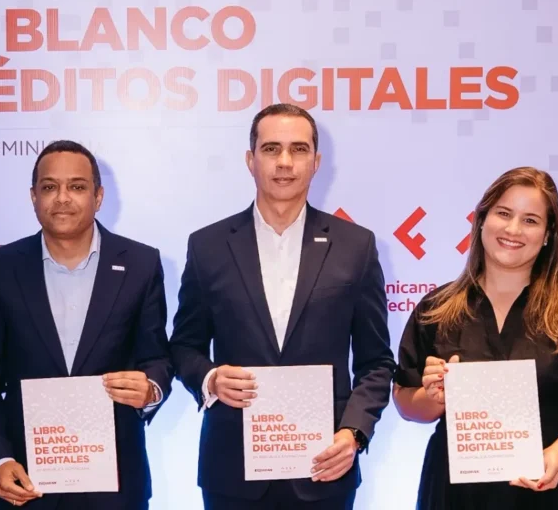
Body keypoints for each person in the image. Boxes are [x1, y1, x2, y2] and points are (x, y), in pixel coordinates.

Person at [169, 103, 396, 509]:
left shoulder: (355, 246)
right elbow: (185, 346)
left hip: (324, 468)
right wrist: (210, 379)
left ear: (316, 162)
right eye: (271, 148)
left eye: (299, 149)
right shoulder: (208, 246)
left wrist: (354, 433)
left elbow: (376, 361)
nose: (285, 162)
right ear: (250, 160)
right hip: (231, 469)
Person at [393, 166, 558, 509]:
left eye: (530, 220)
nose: (513, 229)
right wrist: (436, 397)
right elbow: (406, 402)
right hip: (458, 493)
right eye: (503, 213)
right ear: (481, 220)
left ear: (547, 234)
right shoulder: (437, 308)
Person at [0, 140, 173, 510]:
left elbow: (156, 358)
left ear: (98, 196)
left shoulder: (141, 263)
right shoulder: (1, 268)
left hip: (117, 484)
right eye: (49, 187)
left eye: (77, 186)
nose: (62, 198)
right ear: (33, 197)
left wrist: (151, 389)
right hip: (27, 484)